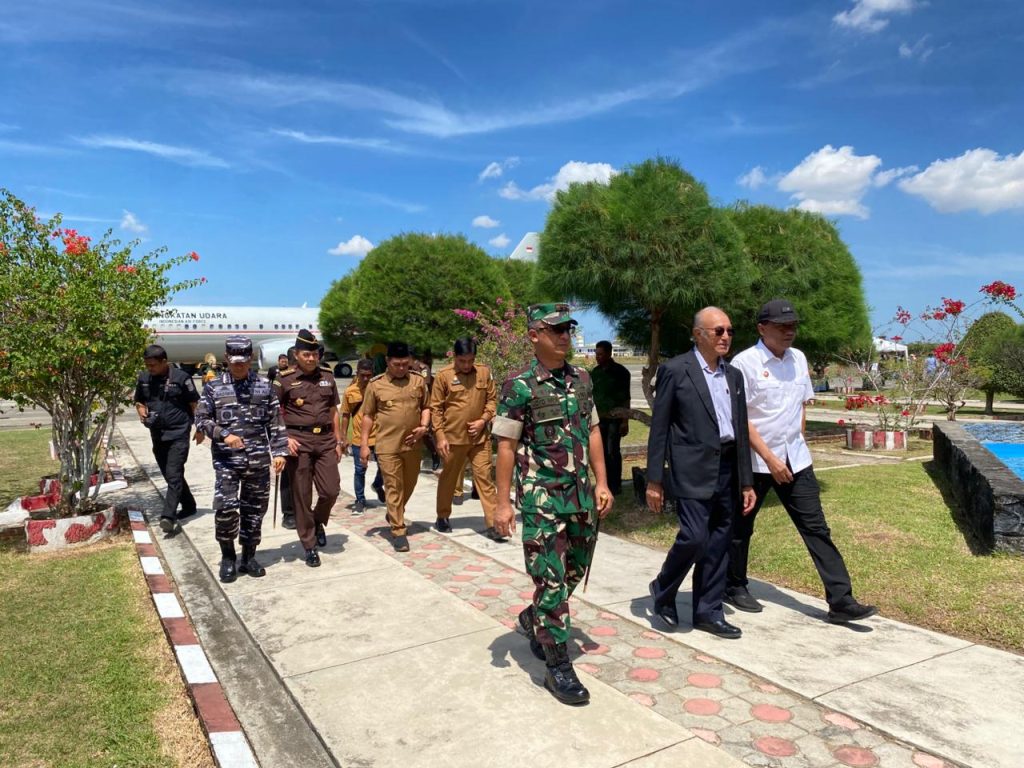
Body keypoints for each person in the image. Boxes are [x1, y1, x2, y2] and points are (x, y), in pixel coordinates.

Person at [727, 299, 878, 624]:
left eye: (793, 325)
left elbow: (801, 407)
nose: (789, 331)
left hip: (796, 460)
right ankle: (734, 584)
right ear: (762, 328)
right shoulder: (744, 363)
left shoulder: (798, 359)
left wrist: (797, 443)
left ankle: (841, 601)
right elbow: (741, 419)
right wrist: (770, 458)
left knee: (816, 528)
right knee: (741, 528)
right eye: (782, 326)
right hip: (755, 463)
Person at [492, 303, 613, 706]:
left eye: (568, 330)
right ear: (534, 335)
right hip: (542, 499)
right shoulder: (519, 386)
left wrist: (602, 482)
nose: (565, 336)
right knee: (551, 581)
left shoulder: (582, 379)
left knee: (574, 571)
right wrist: (502, 504)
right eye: (556, 330)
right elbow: (505, 446)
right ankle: (558, 667)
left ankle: (535, 617)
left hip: (580, 496)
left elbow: (593, 431)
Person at [645, 307, 756, 640]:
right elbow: (660, 428)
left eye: (729, 331)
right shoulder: (675, 370)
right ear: (698, 335)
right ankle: (664, 589)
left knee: (720, 541)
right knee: (694, 537)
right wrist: (654, 479)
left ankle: (708, 611)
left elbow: (740, 429)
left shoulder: (733, 375)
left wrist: (746, 481)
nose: (726, 337)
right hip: (691, 469)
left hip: (728, 468)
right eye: (718, 331)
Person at [194, 337, 288, 582]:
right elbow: (201, 419)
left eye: (243, 361)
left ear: (250, 358)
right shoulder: (214, 387)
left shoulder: (264, 386)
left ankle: (248, 556)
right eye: (234, 361)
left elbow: (275, 422)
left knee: (254, 510)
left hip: (258, 461)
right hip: (227, 462)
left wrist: (279, 452)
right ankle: (228, 557)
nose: (239, 365)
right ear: (226, 358)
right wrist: (224, 435)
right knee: (226, 509)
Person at [273, 329, 343, 567]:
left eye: (315, 354)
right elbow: (273, 412)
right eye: (306, 354)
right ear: (296, 354)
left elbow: (333, 411)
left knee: (331, 490)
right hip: (298, 442)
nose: (312, 359)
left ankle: (317, 521)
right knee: (302, 496)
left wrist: (338, 440)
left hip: (325, 441)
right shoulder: (284, 378)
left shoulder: (328, 376)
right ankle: (309, 545)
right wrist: (284, 438)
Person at [430, 337, 503, 540]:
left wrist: (483, 420)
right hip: (452, 439)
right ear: (455, 357)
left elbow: (491, 400)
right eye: (462, 361)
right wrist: (440, 436)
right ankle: (442, 515)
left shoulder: (484, 372)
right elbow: (435, 409)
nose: (466, 365)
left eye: (470, 360)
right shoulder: (444, 376)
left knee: (485, 479)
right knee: (449, 479)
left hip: (479, 439)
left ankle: (493, 524)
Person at [360, 341, 430, 552]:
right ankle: (398, 530)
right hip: (387, 446)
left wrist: (424, 426)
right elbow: (368, 416)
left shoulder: (418, 381)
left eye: (405, 364)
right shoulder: (376, 385)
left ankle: (393, 512)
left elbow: (426, 406)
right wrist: (364, 445)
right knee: (393, 486)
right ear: (387, 362)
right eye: (396, 364)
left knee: (409, 484)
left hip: (412, 445)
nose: (401, 368)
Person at [134, 344, 201, 534]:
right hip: (157, 433)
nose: (150, 368)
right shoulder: (144, 378)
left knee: (173, 472)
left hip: (179, 432)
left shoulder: (181, 378)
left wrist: (200, 427)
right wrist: (141, 412)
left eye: (153, 365)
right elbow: (139, 400)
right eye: (147, 365)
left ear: (164, 361)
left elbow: (194, 403)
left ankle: (168, 516)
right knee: (169, 473)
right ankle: (189, 505)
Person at [340, 358, 384, 515]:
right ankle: (360, 500)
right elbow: (345, 415)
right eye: (362, 375)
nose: (365, 378)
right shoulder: (350, 391)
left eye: (368, 375)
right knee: (360, 470)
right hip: (359, 437)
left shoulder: (379, 388)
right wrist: (343, 437)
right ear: (357, 373)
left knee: (385, 467)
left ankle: (378, 484)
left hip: (379, 435)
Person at [591, 340, 632, 496]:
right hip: (598, 420)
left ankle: (615, 485)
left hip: (615, 419)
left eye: (601, 354)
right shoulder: (595, 373)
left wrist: (625, 421)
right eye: (596, 354)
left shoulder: (621, 372)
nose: (598, 357)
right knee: (600, 452)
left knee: (612, 452)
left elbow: (626, 398)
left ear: (609, 353)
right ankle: (603, 483)